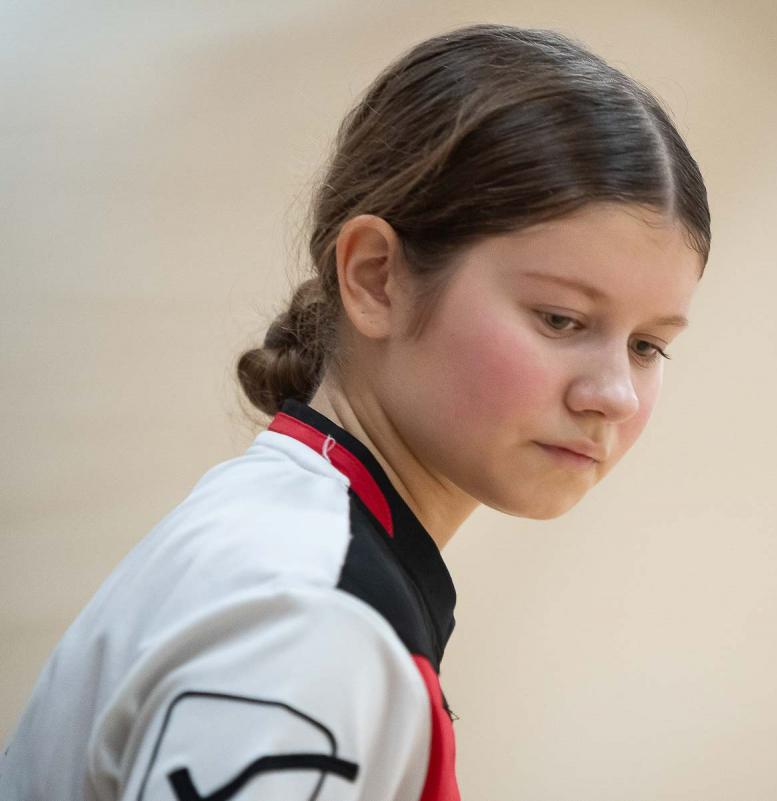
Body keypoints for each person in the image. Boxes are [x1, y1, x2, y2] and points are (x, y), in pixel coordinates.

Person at [0, 23, 710, 801]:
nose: (614, 394)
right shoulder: (309, 618)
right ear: (376, 278)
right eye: (561, 319)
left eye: (648, 345)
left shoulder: (290, 556)